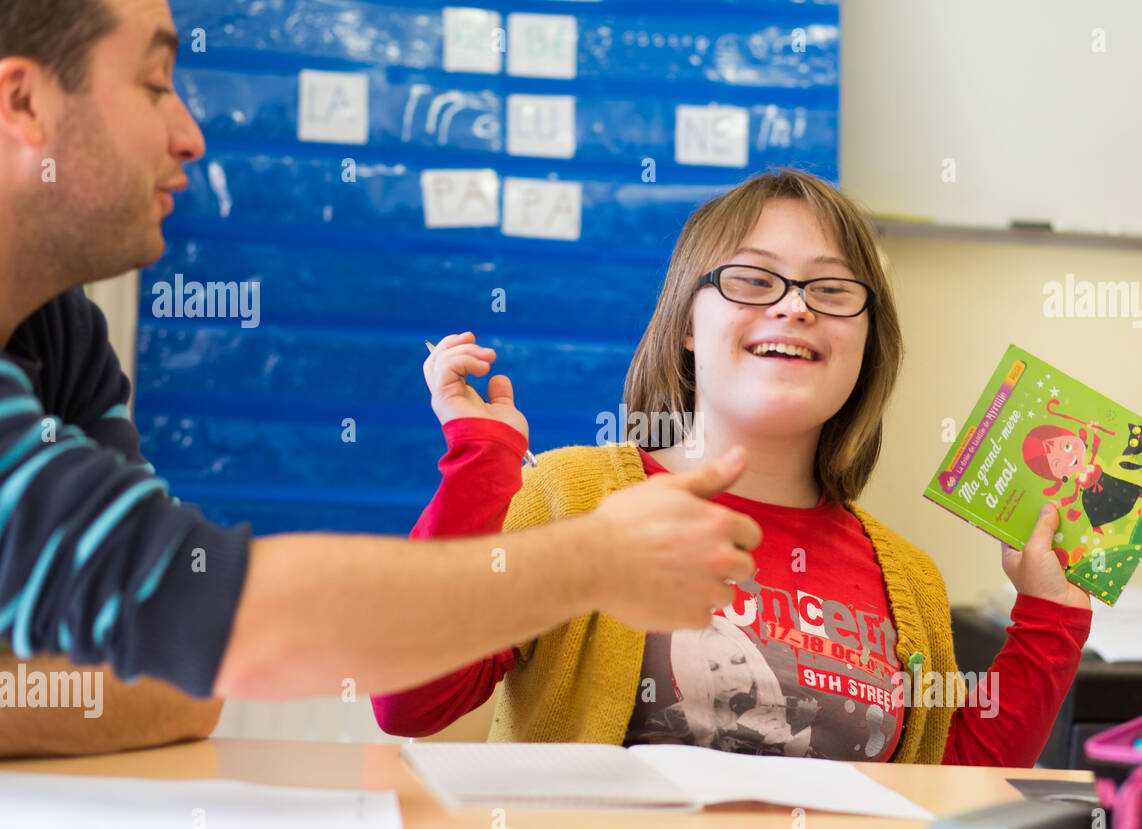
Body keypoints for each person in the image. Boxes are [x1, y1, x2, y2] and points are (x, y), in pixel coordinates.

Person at [0, 0, 761, 755]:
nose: (190, 135)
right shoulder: (582, 488)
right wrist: (595, 560)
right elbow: (229, 626)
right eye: (155, 82)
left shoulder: (58, 333)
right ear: (24, 101)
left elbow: (178, 672)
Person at [372, 169, 1095, 767]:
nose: (795, 308)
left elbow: (956, 788)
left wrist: (1050, 614)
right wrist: (479, 459)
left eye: (832, 290)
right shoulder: (573, 496)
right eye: (753, 280)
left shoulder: (909, 580)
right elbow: (409, 698)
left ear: (867, 343)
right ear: (688, 324)